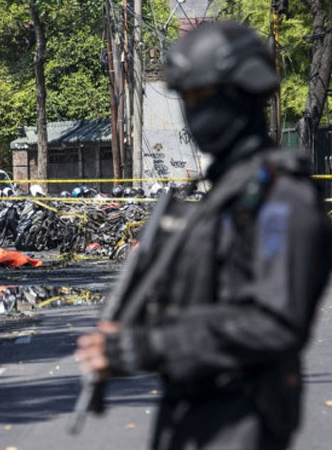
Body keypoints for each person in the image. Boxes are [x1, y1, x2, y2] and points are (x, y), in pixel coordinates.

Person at [75, 21, 331, 450]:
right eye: (186, 100)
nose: (193, 113)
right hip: (195, 418)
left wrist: (147, 346)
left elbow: (273, 322)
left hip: (241, 424)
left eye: (202, 97)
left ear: (240, 94)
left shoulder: (282, 198)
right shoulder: (228, 193)